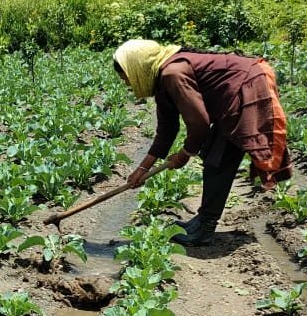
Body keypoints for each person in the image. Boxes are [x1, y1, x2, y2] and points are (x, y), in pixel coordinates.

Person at [112, 39, 292, 246]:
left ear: (137, 67)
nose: (126, 83)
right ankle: (203, 220)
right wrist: (143, 168)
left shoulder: (172, 74)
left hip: (248, 86)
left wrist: (185, 154)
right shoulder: (161, 79)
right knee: (214, 156)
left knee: (219, 158)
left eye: (125, 77)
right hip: (236, 91)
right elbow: (167, 129)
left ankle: (205, 226)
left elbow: (199, 123)